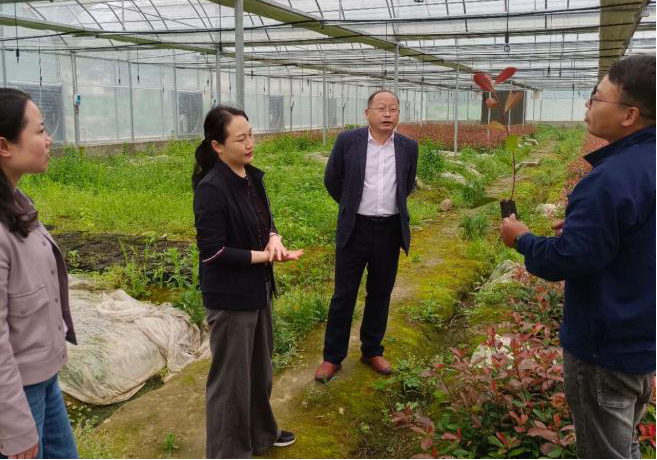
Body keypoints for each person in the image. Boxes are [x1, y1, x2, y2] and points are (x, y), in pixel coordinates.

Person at [500, 55, 656, 459]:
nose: (588, 104)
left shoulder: (609, 180)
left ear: (629, 115)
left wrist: (522, 239)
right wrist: (590, 230)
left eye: (597, 97)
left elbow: (566, 260)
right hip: (642, 340)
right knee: (626, 443)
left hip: (607, 348)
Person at [192, 106, 303, 459]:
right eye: (241, 139)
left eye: (251, 135)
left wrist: (274, 238)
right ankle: (228, 451)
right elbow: (213, 252)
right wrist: (264, 256)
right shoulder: (212, 188)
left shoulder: (251, 176)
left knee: (259, 372)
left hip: (257, 290)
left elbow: (265, 221)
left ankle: (261, 435)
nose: (250, 143)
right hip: (230, 299)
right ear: (217, 146)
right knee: (231, 382)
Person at [315, 90, 419, 383]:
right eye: (381, 108)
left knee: (380, 293)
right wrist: (351, 205)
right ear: (367, 113)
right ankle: (332, 357)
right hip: (355, 228)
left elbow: (407, 184)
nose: (387, 114)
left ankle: (372, 349)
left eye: (393, 109)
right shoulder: (348, 141)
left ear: (398, 114)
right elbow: (331, 179)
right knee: (343, 294)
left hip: (389, 230)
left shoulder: (408, 147)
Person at [0, 88, 78, 460]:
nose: (48, 140)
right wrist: (14, 424)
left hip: (43, 378)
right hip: (18, 390)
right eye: (40, 130)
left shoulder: (16, 203)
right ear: (4, 146)